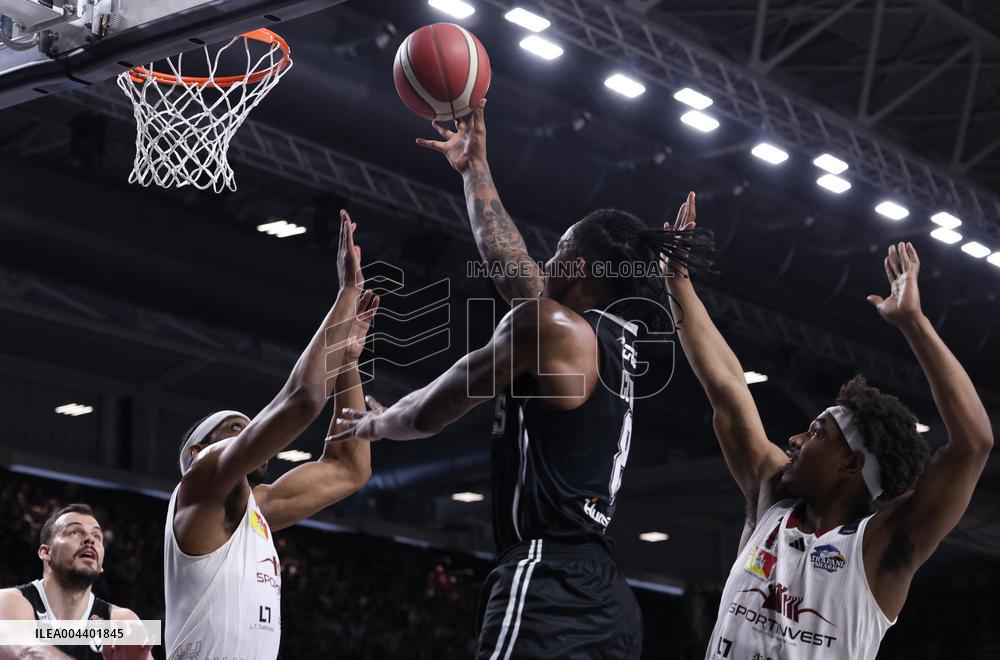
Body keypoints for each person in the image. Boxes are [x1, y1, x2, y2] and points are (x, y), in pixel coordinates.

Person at [333, 101, 713, 659]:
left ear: (579, 267)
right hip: (607, 596)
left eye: (558, 250)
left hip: (548, 581)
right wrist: (475, 169)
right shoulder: (606, 338)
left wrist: (375, 423)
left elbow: (431, 410)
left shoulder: (550, 327)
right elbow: (508, 262)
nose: (546, 259)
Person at [662, 193, 994, 660]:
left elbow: (973, 443)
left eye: (816, 433)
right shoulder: (772, 498)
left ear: (851, 463)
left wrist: (913, 323)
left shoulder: (884, 546)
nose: (794, 440)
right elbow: (727, 384)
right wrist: (676, 280)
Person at [164, 211, 378, 660]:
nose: (248, 433)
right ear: (198, 451)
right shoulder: (198, 487)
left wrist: (348, 361)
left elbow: (349, 468)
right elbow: (302, 399)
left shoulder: (255, 513)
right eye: (235, 429)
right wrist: (346, 294)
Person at [0, 503, 152, 660]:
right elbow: (27, 652)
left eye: (97, 536)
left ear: (101, 565)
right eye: (74, 532)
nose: (89, 540)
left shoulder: (121, 621)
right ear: (46, 552)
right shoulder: (9, 602)